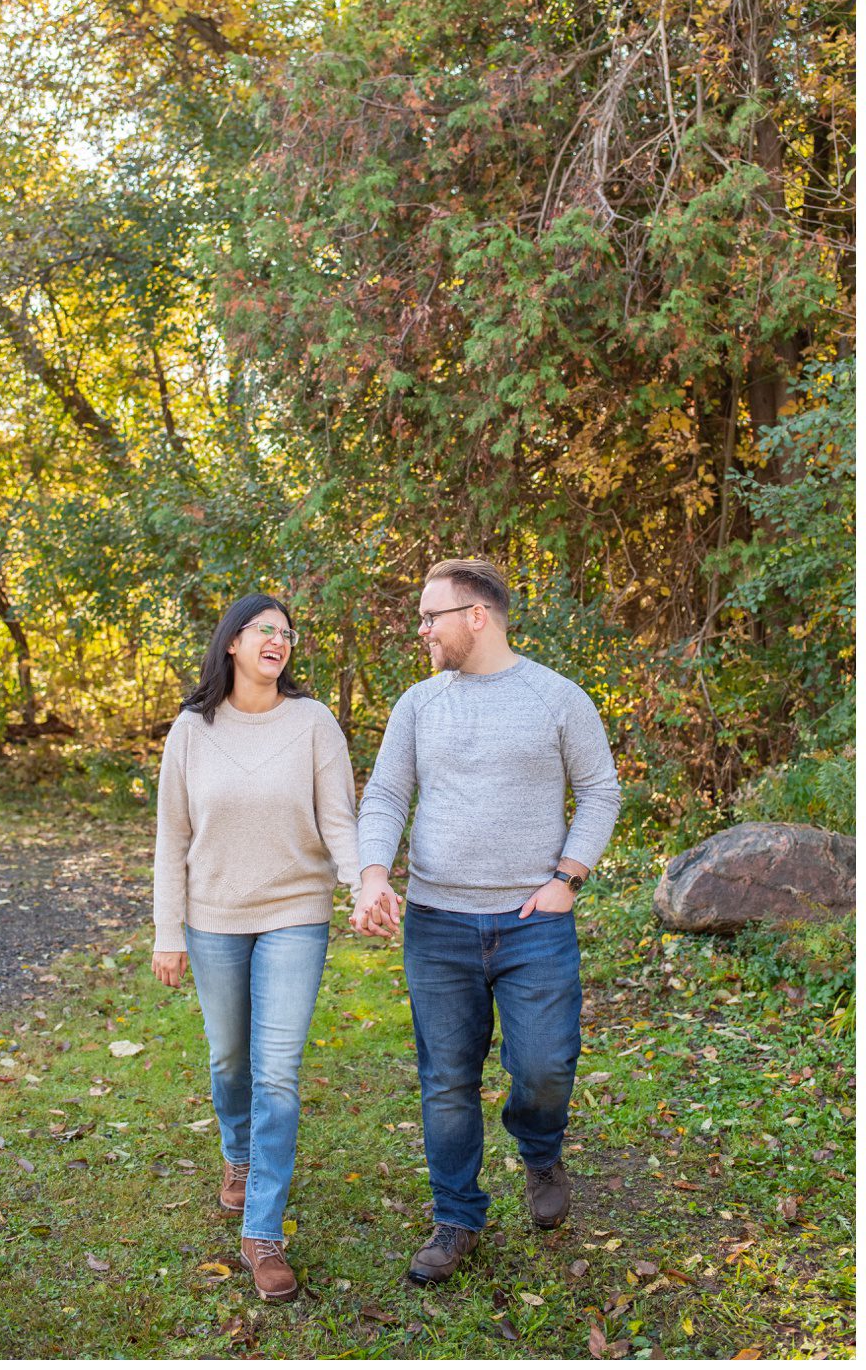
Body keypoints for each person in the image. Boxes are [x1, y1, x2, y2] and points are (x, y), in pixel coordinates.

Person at [350, 557, 621, 1286]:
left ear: (476, 617)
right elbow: (384, 796)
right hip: (438, 921)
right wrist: (373, 872)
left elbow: (600, 791)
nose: (421, 630)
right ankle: (457, 1217)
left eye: (430, 616)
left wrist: (568, 878)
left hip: (534, 921)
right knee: (446, 1081)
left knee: (543, 1067)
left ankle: (540, 1151)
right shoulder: (418, 705)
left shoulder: (556, 698)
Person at [151, 592, 360, 1304]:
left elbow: (341, 822)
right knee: (228, 1058)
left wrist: (364, 883)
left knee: (277, 1073)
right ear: (233, 644)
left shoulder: (313, 724)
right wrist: (166, 930)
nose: (280, 639)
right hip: (212, 917)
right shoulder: (192, 729)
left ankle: (263, 1232)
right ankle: (236, 1154)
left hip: (295, 914)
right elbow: (171, 839)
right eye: (265, 629)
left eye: (288, 633)